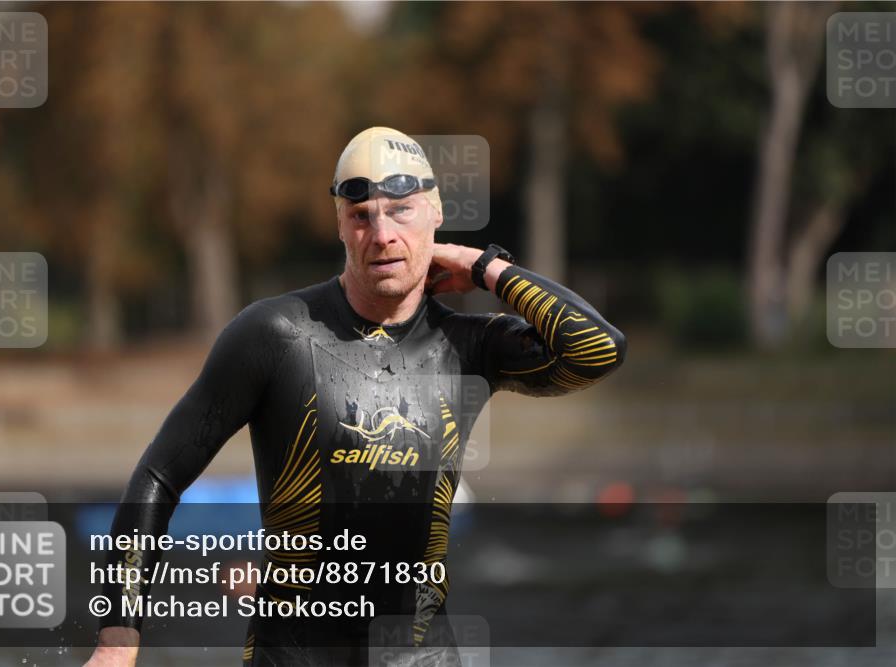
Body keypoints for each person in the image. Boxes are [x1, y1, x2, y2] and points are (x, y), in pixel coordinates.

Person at [84, 127, 627, 667]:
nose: (382, 234)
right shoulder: (277, 334)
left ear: (436, 214)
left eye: (401, 211)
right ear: (340, 226)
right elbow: (160, 476)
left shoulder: (468, 347)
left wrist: (485, 267)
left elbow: (599, 350)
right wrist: (117, 640)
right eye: (361, 215)